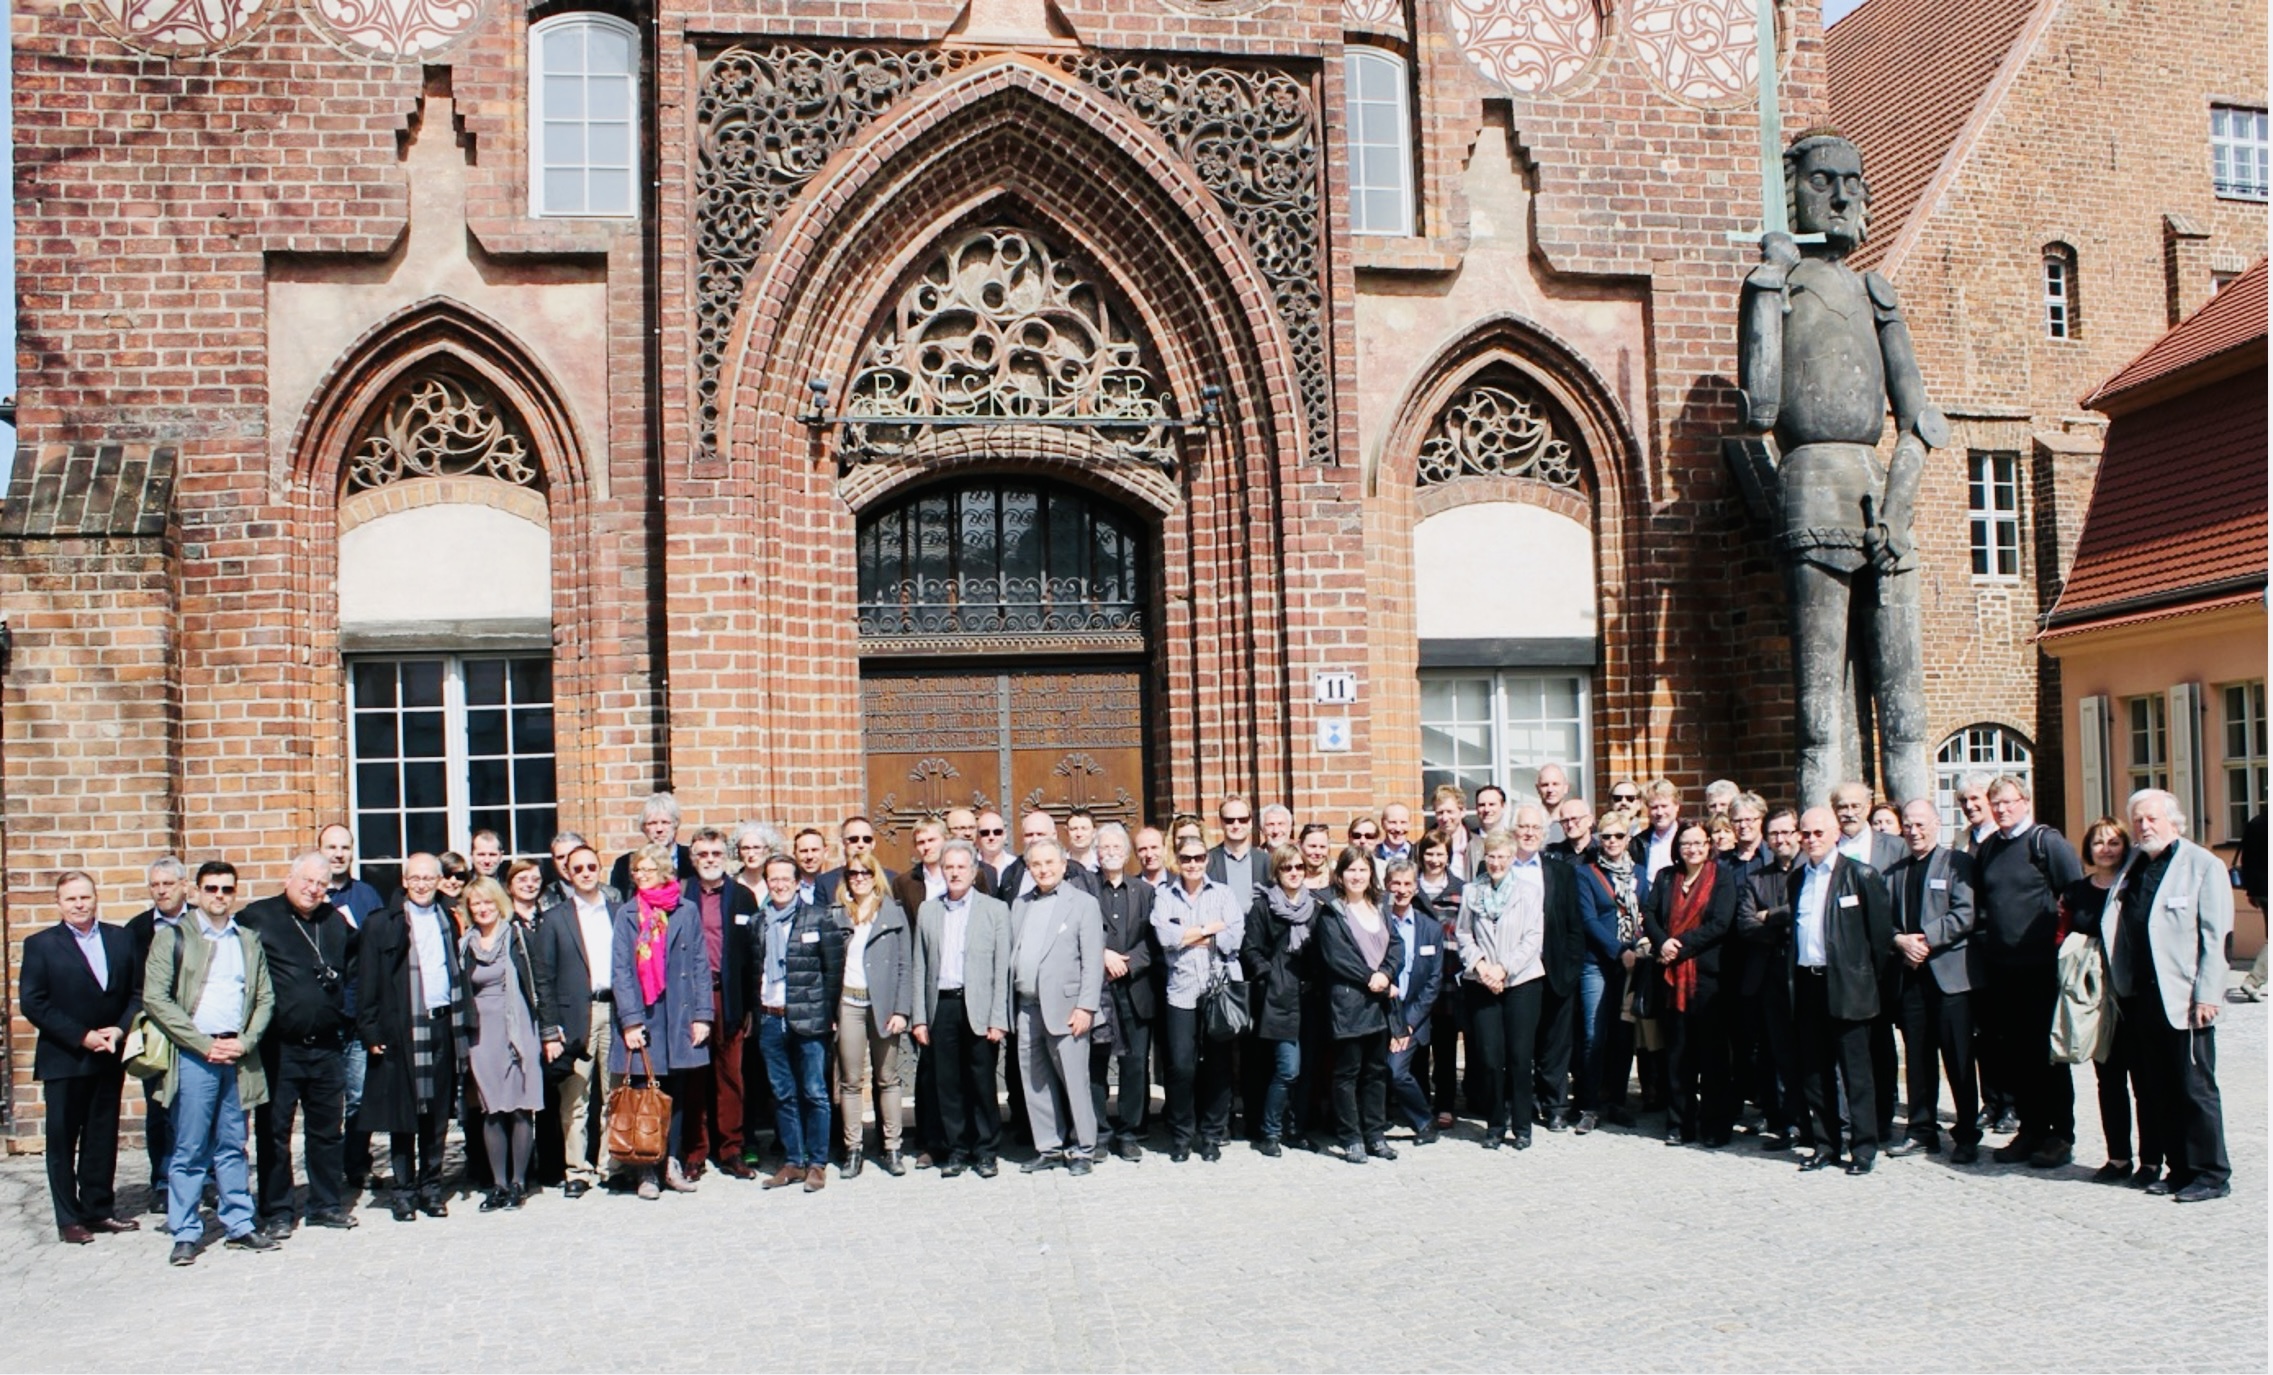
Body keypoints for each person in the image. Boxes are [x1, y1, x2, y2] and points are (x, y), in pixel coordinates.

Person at [144, 861, 278, 1264]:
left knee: (233, 1144)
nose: (219, 896)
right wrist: (202, 1044)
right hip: (195, 1056)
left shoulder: (248, 940)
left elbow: (264, 997)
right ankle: (185, 1230)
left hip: (237, 1055)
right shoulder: (173, 937)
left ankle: (239, 1223)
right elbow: (156, 998)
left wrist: (246, 1040)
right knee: (189, 1147)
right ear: (196, 891)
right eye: (211, 888)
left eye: (226, 889)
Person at [2104, 790, 2233, 1202]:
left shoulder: (2202, 865)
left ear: (2173, 821)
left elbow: (2217, 938)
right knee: (2158, 1087)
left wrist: (2208, 994)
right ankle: (2179, 1169)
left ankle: (2211, 1173)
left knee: (2195, 1088)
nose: (2143, 827)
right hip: (2141, 996)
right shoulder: (2135, 865)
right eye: (2137, 820)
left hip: (2185, 998)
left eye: (2151, 819)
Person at [239, 851, 359, 1237]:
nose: (313, 889)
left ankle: (325, 1203)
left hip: (326, 1046)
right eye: (307, 880)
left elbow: (355, 966)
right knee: (274, 1131)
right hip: (279, 1046)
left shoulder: (335, 922)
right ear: (289, 878)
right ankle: (276, 1210)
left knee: (327, 1130)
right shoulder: (257, 918)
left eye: (321, 884)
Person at [20, 871, 142, 1243]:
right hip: (65, 1057)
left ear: (95, 898)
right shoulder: (41, 944)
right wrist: (81, 1036)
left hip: (108, 1053)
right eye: (71, 899)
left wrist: (119, 1030)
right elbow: (33, 1001)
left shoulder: (120, 938)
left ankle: (98, 1209)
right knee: (62, 1140)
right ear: (59, 903)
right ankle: (69, 1219)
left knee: (101, 1137)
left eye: (85, 897)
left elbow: (137, 992)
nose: (79, 904)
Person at [1975, 775, 2085, 1169]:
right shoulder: (1988, 849)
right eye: (1996, 803)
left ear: (2025, 801)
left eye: (2008, 802)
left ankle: (2060, 1134)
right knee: (2016, 1054)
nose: (2002, 809)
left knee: (2048, 1055)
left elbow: (2074, 896)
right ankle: (2031, 1129)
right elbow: (1984, 905)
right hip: (2003, 969)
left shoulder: (2047, 843)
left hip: (2041, 968)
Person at [1783, 807, 1895, 1175]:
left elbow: (1879, 939)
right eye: (1806, 833)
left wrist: (1865, 980)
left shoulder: (1860, 875)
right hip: (1808, 981)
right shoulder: (1798, 878)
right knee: (1815, 1070)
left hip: (1848, 984)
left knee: (1856, 1070)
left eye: (1818, 833)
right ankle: (1825, 1144)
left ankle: (1863, 1147)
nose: (1811, 840)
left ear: (1835, 834)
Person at [355, 854, 466, 1221]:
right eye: (414, 878)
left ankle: (431, 1188)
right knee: (403, 1115)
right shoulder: (381, 924)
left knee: (436, 1116)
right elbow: (367, 980)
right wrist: (369, 1030)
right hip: (400, 1027)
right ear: (404, 880)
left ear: (439, 880)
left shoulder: (448, 919)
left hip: (441, 1024)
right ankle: (403, 1191)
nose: (421, 884)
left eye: (428, 878)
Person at [612, 843, 713, 1200]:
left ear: (665, 873)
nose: (640, 876)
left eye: (647, 870)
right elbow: (621, 971)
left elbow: (700, 965)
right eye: (636, 871)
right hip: (646, 1013)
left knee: (678, 1094)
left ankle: (671, 1162)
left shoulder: (685, 911)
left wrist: (703, 1015)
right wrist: (630, 1020)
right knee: (643, 1094)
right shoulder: (627, 913)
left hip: (680, 1012)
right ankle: (645, 1170)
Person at [1884, 799, 1980, 1162]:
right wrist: (1899, 940)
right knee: (1919, 1059)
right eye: (1908, 825)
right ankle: (1921, 1130)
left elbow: (1965, 912)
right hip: (1911, 978)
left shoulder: (1957, 863)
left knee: (1958, 1059)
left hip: (1950, 977)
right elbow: (1884, 921)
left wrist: (1923, 938)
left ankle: (1968, 1132)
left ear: (1937, 824)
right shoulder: (1894, 873)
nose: (1914, 831)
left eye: (1921, 824)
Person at [910, 842, 1013, 1178]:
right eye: (949, 867)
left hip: (979, 1007)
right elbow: (919, 966)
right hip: (942, 1006)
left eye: (961, 867)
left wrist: (999, 1018)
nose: (954, 873)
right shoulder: (928, 910)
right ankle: (957, 1149)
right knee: (948, 1084)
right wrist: (920, 1017)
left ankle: (985, 1150)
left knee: (982, 1083)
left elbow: (1003, 969)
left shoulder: (995, 910)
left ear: (973, 872)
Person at [2060, 817, 2150, 1184]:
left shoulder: (2136, 885)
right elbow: (2063, 933)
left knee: (2143, 1081)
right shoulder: (2077, 891)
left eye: (2114, 842)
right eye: (2099, 842)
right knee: (2108, 1079)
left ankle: (2151, 1160)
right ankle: (2117, 1158)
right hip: (2095, 998)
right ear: (2088, 848)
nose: (2106, 848)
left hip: (2131, 993)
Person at [752, 852, 846, 1193]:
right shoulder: (758, 922)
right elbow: (754, 972)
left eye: (785, 879)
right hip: (770, 1018)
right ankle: (793, 1160)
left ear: (796, 883)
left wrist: (829, 1014)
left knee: (815, 1092)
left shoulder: (818, 919)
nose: (778, 885)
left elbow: (832, 971)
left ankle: (817, 1162)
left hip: (809, 1020)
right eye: (772, 879)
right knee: (782, 1093)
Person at [1008, 840, 1105, 1175]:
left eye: (1050, 862)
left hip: (1068, 1008)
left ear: (1064, 865)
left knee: (1075, 1082)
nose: (1044, 869)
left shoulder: (1083, 904)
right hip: (1027, 1007)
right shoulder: (1020, 905)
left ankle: (1084, 1148)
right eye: (1036, 864)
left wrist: (1087, 1007)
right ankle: (1048, 1146)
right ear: (1028, 868)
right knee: (1035, 1081)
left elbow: (1093, 961)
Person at [1153, 836, 1246, 1162]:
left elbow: (1234, 937)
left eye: (1199, 857)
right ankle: (1181, 1135)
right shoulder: (1165, 896)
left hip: (1217, 990)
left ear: (1207, 859)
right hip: (1181, 993)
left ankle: (1211, 1135)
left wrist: (1190, 934)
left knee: (1219, 1067)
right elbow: (1166, 938)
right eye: (1186, 858)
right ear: (1177, 860)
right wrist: (1210, 928)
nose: (1193, 864)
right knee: (1181, 1067)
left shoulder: (1223, 893)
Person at [1644, 823, 1738, 1146]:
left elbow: (1721, 924)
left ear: (1709, 845)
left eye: (1699, 843)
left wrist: (1678, 945)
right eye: (1686, 843)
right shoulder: (1666, 877)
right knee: (1677, 1056)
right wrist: (1662, 943)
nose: (1693, 849)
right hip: (1672, 980)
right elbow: (1650, 914)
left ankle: (1714, 1127)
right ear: (1678, 847)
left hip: (1708, 979)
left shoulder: (1722, 877)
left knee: (1712, 1057)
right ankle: (1678, 1123)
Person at [532, 844, 617, 1198]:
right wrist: (550, 1030)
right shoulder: (555, 918)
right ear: (567, 872)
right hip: (574, 1017)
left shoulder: (618, 911)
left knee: (613, 1093)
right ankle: (577, 1169)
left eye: (591, 866)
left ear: (600, 868)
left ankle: (611, 1164)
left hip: (613, 1010)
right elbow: (543, 978)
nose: (585, 873)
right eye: (577, 868)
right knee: (576, 1097)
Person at [458, 877, 546, 1211]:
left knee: (520, 1107)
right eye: (476, 904)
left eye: (487, 902)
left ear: (499, 904)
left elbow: (540, 981)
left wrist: (549, 1029)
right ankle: (497, 1184)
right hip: (482, 1032)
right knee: (492, 1109)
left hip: (518, 1027)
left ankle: (519, 1182)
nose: (482, 909)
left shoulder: (518, 937)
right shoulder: (465, 944)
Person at [1457, 828, 1547, 1150]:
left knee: (1520, 1058)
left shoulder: (1529, 891)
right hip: (1482, 983)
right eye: (1491, 856)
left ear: (1512, 858)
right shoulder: (1472, 892)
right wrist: (1482, 967)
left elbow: (1533, 938)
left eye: (1502, 856)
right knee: (1490, 1058)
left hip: (1521, 981)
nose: (1496, 862)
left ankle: (1522, 1126)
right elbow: (1463, 935)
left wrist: (1503, 968)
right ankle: (1495, 1124)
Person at [1317, 847, 1403, 1163]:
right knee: (1347, 1073)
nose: (1357, 876)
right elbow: (1336, 956)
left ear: (1371, 875)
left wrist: (1387, 973)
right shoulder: (1331, 911)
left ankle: (1375, 1135)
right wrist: (1372, 978)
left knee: (1376, 1073)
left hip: (1378, 1005)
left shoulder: (1380, 907)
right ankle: (1351, 1137)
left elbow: (1396, 945)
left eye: (1362, 870)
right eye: (1350, 870)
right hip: (1349, 1004)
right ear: (1340, 875)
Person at [831, 852, 913, 1178]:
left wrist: (902, 1009)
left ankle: (892, 1146)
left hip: (883, 1006)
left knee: (887, 1078)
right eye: (853, 873)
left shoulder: (892, 913)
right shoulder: (837, 914)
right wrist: (829, 1010)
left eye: (866, 872)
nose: (860, 877)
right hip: (848, 1004)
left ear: (875, 875)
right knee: (850, 1081)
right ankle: (853, 1149)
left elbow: (906, 965)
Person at [682, 828, 758, 1181]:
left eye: (715, 853)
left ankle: (731, 1149)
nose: (709, 860)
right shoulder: (681, 895)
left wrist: (750, 1008)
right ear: (692, 858)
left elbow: (753, 956)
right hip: (691, 1000)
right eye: (702, 854)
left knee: (731, 1077)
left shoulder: (742, 897)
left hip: (729, 997)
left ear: (725, 857)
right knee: (694, 1076)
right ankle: (695, 1152)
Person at [1734, 810, 1805, 1149]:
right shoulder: (1757, 878)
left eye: (1787, 832)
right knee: (1775, 1053)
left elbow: (1807, 913)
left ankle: (1814, 1120)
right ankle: (1784, 1122)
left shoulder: (1811, 872)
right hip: (1768, 974)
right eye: (1774, 834)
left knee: (1809, 1049)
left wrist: (1772, 915)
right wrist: (1784, 925)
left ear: (1799, 834)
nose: (1781, 840)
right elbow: (1746, 925)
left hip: (1804, 973)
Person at [1579, 814, 1653, 1130]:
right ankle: (1588, 1104)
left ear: (1627, 839)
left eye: (1618, 836)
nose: (1611, 842)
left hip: (1633, 963)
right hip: (1597, 963)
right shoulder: (1585, 874)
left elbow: (1646, 912)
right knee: (1594, 1035)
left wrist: (1636, 948)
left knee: (1623, 1035)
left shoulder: (1638, 873)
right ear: (1597, 838)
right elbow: (1588, 919)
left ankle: (1617, 1102)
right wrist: (1618, 950)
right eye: (1606, 836)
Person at [125, 856, 189, 1212]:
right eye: (155, 885)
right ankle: (163, 1181)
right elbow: (132, 984)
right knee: (159, 1108)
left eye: (168, 884)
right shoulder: (135, 930)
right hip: (157, 1032)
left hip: (198, 1029)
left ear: (183, 885)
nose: (161, 890)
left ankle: (205, 1179)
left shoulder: (200, 919)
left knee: (199, 1108)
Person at [1091, 824, 1158, 1162]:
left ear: (1127, 852)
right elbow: (1077, 933)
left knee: (1134, 1066)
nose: (1111, 851)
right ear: (1096, 852)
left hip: (1135, 989)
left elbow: (1154, 939)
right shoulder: (1083, 889)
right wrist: (1102, 954)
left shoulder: (1144, 892)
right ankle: (1099, 1133)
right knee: (1096, 1064)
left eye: (1117, 845)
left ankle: (1129, 1132)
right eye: (1104, 846)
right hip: (1096, 991)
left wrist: (1128, 963)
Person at [1242, 844, 1314, 1157]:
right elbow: (1250, 948)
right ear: (1277, 872)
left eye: (1299, 867)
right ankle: (1269, 1132)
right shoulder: (1263, 907)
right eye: (1287, 868)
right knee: (1288, 1069)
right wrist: (1269, 973)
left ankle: (1296, 1130)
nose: (1294, 873)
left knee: (1305, 1071)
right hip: (1278, 999)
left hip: (1310, 998)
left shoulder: (1317, 907)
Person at [1382, 861, 1443, 1144]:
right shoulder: (1378, 922)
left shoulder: (1431, 928)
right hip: (1382, 1009)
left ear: (1416, 888)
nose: (1402, 890)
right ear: (1386, 885)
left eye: (1407, 884)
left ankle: (1424, 1121)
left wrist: (1407, 1024)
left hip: (1413, 1013)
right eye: (1396, 883)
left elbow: (1433, 982)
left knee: (1396, 1070)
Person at [1413, 832, 1466, 1126]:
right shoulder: (1411, 887)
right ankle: (1420, 1105)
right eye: (1429, 853)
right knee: (1419, 1048)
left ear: (1449, 856)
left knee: (1445, 1047)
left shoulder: (1460, 890)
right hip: (1418, 981)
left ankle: (1445, 1104)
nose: (1434, 860)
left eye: (1440, 854)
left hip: (1448, 977)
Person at [608, 791, 696, 896]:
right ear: (644, 828)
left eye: (665, 822)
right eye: (652, 823)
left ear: (675, 824)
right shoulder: (625, 865)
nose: (659, 829)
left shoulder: (692, 860)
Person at [1831, 782, 1906, 871]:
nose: (1849, 814)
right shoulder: (1825, 847)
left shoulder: (1897, 847)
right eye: (1842, 807)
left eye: (1855, 806)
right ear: (1834, 810)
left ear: (1868, 807)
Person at [1205, 796, 1266, 904]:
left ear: (1250, 822)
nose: (1236, 825)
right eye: (1229, 820)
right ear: (1221, 823)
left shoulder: (1266, 861)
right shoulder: (1207, 861)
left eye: (1242, 820)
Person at [1640, 780, 1682, 881]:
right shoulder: (1639, 843)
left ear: (1677, 806)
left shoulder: (1687, 838)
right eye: (1654, 807)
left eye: (1664, 806)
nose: (1659, 812)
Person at [1429, 786, 1472, 879]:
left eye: (1449, 812)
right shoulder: (1421, 847)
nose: (1445, 818)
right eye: (1440, 812)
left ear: (1462, 812)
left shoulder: (1478, 846)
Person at [1549, 798, 1595, 864]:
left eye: (1575, 819)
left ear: (1589, 820)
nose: (1570, 825)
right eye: (1565, 821)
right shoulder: (1551, 854)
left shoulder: (1602, 852)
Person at [792, 828, 831, 906]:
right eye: (804, 851)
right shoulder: (788, 887)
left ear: (825, 853)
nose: (809, 856)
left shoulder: (835, 886)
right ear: (795, 855)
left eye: (814, 850)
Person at [975, 811, 1014, 880]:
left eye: (997, 832)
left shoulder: (1015, 866)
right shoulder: (970, 866)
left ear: (1004, 835)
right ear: (977, 837)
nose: (991, 837)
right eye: (985, 833)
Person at [1063, 810, 1100, 875]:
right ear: (1067, 832)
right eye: (1074, 829)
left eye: (1084, 829)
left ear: (1094, 832)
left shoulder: (1102, 864)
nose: (1079, 834)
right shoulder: (1059, 864)